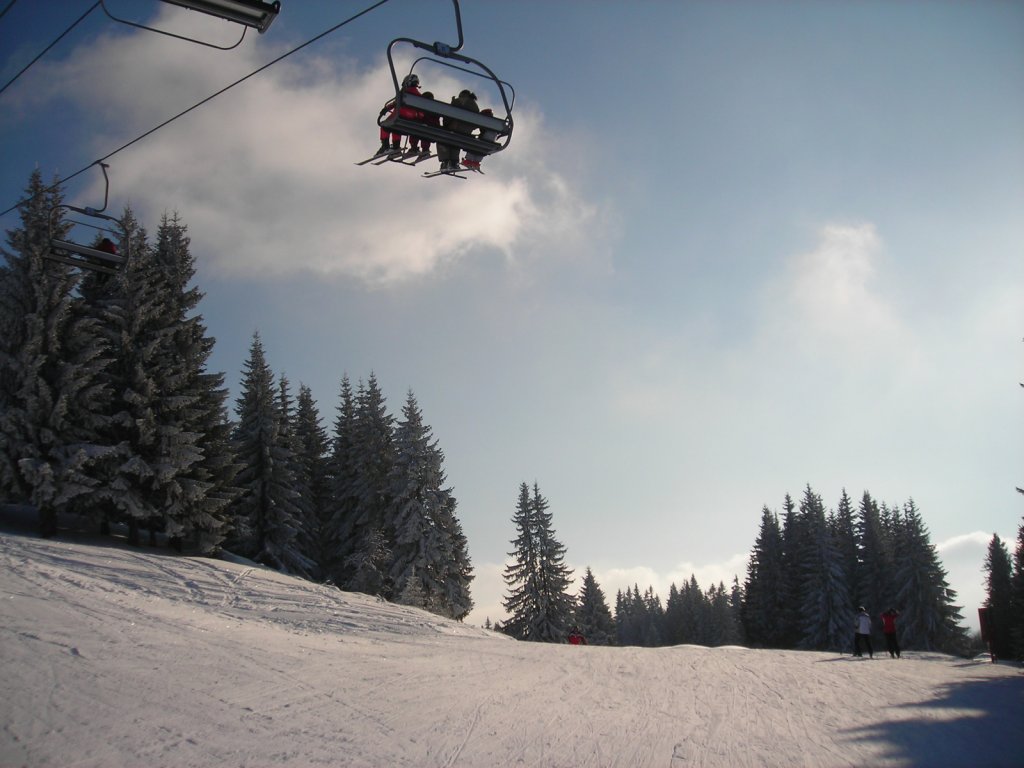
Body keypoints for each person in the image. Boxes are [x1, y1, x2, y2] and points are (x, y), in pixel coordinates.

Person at [376, 74, 423, 156]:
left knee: (385, 125)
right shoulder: (419, 96)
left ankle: (386, 146)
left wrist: (385, 109)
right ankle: (395, 147)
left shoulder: (404, 93)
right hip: (411, 119)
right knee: (395, 128)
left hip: (400, 116)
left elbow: (395, 103)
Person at [436, 89, 479, 172]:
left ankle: (446, 161)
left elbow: (448, 115)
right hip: (466, 132)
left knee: (443, 139)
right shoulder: (474, 105)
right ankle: (454, 162)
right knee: (456, 143)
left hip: (455, 127)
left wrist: (446, 124)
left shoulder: (458, 101)